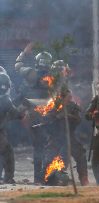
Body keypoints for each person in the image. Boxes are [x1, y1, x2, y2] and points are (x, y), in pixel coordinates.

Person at [14, 44, 53, 183]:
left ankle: (39, 177)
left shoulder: (30, 73)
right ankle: (46, 176)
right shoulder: (53, 77)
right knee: (51, 145)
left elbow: (17, 65)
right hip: (50, 115)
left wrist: (24, 53)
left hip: (33, 115)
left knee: (38, 147)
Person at [42, 88, 89, 186]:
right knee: (49, 158)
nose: (70, 99)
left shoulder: (73, 107)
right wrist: (58, 117)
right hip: (56, 137)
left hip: (69, 136)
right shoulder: (53, 106)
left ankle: (84, 178)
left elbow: (79, 120)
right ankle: (48, 179)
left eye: (70, 97)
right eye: (68, 97)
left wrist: (70, 116)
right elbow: (46, 120)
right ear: (61, 97)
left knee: (81, 155)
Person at [0, 73, 24, 184]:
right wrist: (23, 111)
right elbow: (17, 114)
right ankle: (8, 178)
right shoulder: (5, 99)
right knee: (7, 153)